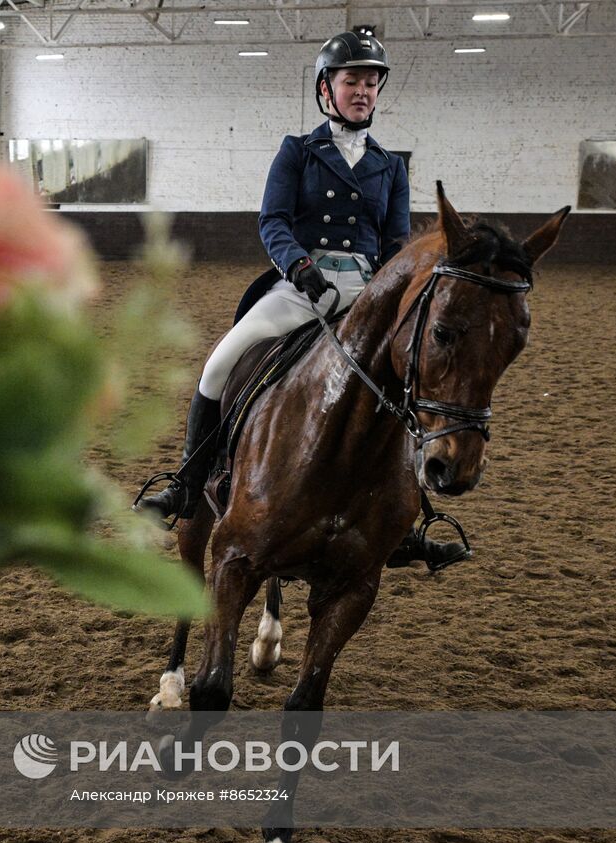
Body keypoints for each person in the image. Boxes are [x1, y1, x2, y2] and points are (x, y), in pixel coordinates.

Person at [136, 30, 466, 568]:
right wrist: (299, 267)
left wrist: (388, 292)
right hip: (301, 289)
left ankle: (404, 522)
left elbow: (396, 244)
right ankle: (188, 483)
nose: (363, 91)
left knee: (405, 384)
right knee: (220, 364)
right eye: (352, 81)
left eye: (371, 83)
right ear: (326, 89)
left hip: (366, 295)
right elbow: (273, 220)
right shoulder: (298, 151)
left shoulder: (390, 166)